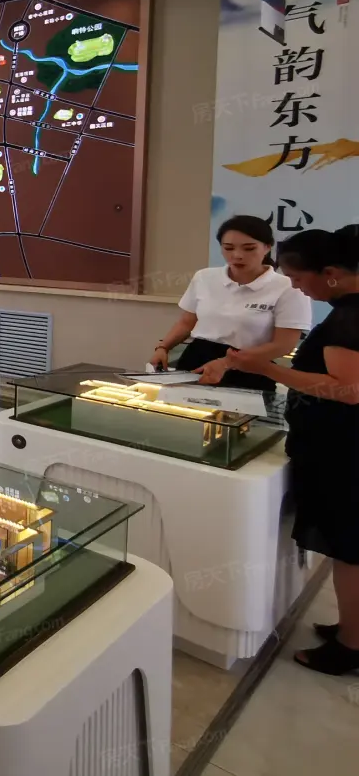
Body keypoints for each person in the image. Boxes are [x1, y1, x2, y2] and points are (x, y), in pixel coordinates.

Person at [224, 226, 359, 675]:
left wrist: (269, 369)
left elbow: (347, 390)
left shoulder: (348, 318)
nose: (297, 288)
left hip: (343, 449)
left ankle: (351, 646)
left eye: (299, 278)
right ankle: (351, 628)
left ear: (331, 272)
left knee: (349, 550)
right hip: (339, 445)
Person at [149, 216, 310, 389]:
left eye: (249, 248)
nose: (237, 255)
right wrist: (163, 347)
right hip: (196, 360)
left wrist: (227, 362)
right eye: (228, 248)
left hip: (250, 366)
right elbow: (187, 322)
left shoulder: (287, 286)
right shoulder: (205, 277)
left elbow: (283, 345)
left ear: (267, 247)